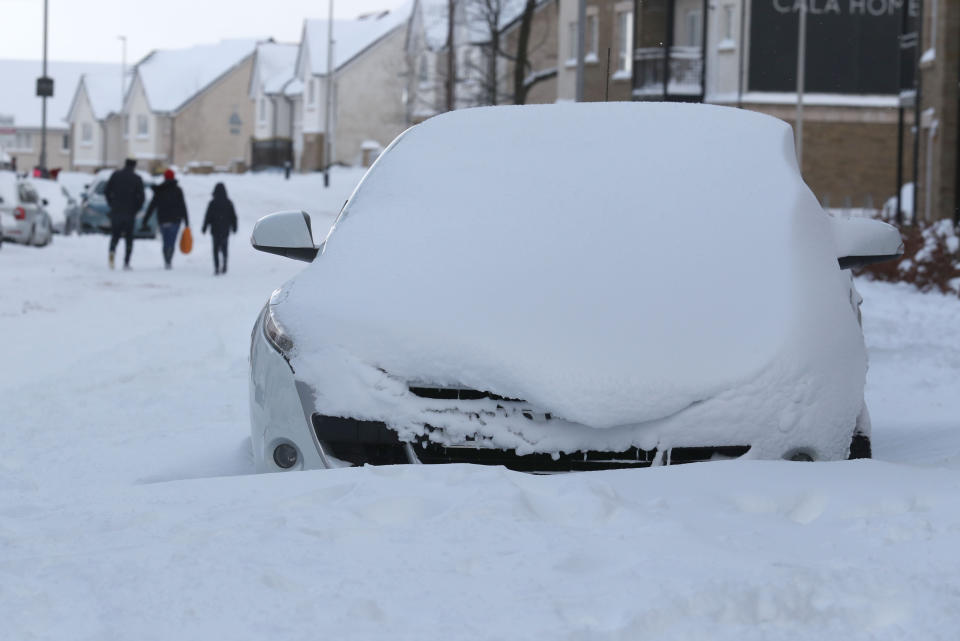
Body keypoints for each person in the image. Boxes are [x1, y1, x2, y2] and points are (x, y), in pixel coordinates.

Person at [142, 169, 189, 269]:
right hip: (175, 220)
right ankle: (169, 259)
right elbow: (183, 206)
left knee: (165, 241)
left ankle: (166, 260)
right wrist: (186, 221)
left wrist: (145, 219)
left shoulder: (160, 190)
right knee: (171, 241)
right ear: (173, 177)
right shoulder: (178, 190)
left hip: (163, 220)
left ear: (165, 177)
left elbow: (152, 205)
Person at [104, 158, 145, 269]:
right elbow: (142, 197)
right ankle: (126, 262)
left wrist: (112, 204)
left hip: (116, 211)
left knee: (115, 236)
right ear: (134, 165)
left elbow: (107, 191)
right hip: (129, 213)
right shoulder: (137, 179)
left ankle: (112, 253)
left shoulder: (116, 175)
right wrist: (136, 209)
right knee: (129, 238)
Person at [201, 182, 238, 275]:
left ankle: (217, 267)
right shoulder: (228, 203)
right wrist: (234, 227)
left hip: (215, 230)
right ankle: (225, 264)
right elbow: (233, 216)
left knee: (215, 250)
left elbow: (208, 216)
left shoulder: (212, 203)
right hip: (225, 230)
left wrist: (205, 227)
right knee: (225, 248)